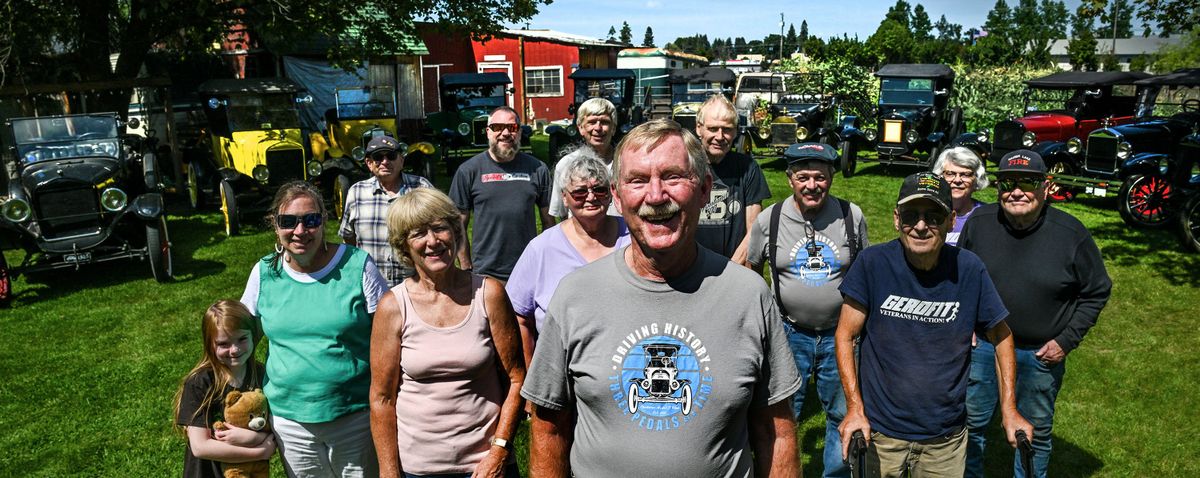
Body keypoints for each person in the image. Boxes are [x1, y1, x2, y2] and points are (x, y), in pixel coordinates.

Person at [522, 119, 802, 477]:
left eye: (672, 176)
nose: (655, 196)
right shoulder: (575, 294)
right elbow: (549, 426)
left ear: (703, 189)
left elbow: (775, 430)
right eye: (638, 180)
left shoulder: (748, 294)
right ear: (617, 196)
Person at [834, 172, 1032, 477]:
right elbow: (846, 335)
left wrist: (1009, 409)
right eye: (912, 215)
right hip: (881, 434)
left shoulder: (969, 268)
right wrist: (854, 408)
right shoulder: (873, 263)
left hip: (945, 440)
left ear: (952, 220)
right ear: (897, 219)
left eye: (934, 216)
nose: (922, 226)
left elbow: (1002, 336)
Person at [960, 150, 1112, 478]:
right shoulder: (979, 223)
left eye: (1027, 182)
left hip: (1040, 353)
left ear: (1047, 186)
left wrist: (1066, 340)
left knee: (1035, 432)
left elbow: (1097, 290)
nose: (1016, 191)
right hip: (985, 347)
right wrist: (963, 324)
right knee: (971, 425)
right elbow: (959, 278)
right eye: (1007, 183)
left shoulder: (1071, 233)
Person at [369, 188, 526, 478]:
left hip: (486, 465)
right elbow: (381, 399)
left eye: (440, 228)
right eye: (418, 233)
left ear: (456, 231)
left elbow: (516, 378)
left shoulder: (488, 293)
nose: (433, 241)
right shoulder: (393, 306)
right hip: (418, 468)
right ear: (404, 245)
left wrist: (500, 450)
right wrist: (389, 472)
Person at [240, 181, 387, 478]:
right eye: (288, 221)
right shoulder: (264, 272)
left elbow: (389, 335)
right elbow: (240, 335)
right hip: (289, 420)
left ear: (324, 220)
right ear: (274, 224)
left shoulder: (358, 266)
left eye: (311, 220)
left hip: (354, 417)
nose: (300, 231)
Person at [747, 142, 868, 478]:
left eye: (820, 177)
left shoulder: (851, 215)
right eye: (803, 177)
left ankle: (836, 474)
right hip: (788, 334)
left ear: (831, 178)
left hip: (840, 336)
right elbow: (752, 273)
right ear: (790, 180)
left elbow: (863, 273)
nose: (811, 185)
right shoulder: (769, 219)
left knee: (842, 413)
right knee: (782, 415)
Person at [507, 156, 632, 366]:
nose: (591, 197)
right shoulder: (541, 248)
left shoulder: (634, 236)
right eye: (580, 192)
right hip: (561, 373)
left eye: (599, 189)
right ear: (565, 198)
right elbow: (518, 317)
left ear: (611, 193)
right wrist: (532, 376)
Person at [450, 106, 555, 282]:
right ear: (488, 132)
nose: (505, 133)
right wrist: (466, 265)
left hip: (528, 269)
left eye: (512, 128)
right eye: (498, 127)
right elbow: (457, 224)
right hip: (484, 272)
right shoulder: (468, 171)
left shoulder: (538, 169)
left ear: (520, 132)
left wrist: (546, 261)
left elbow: (549, 222)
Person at [174, 300, 275, 478]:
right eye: (223, 344)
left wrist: (253, 438)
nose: (234, 349)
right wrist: (260, 451)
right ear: (209, 344)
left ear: (254, 335)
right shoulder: (200, 382)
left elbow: (273, 427)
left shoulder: (262, 374)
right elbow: (200, 447)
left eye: (242, 339)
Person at [340, 135, 433, 286]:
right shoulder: (356, 192)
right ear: (369, 163)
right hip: (371, 285)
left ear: (401, 160)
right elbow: (348, 236)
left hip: (416, 283)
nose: (385, 162)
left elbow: (440, 229)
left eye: (391, 156)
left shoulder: (422, 187)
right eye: (378, 157)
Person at [694, 94, 771, 265]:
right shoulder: (685, 165)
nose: (720, 137)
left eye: (727, 129)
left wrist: (733, 269)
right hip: (690, 267)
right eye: (713, 129)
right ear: (699, 129)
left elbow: (754, 228)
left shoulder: (748, 167)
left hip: (736, 266)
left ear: (736, 131)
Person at [547, 97, 621, 219]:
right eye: (592, 122)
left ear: (613, 128)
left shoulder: (626, 162)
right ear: (581, 128)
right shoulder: (566, 164)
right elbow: (561, 213)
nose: (598, 128)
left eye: (604, 122)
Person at [930, 147, 988, 246]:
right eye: (950, 174)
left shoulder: (986, 215)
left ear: (976, 179)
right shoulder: (928, 211)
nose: (957, 180)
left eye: (965, 174)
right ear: (939, 176)